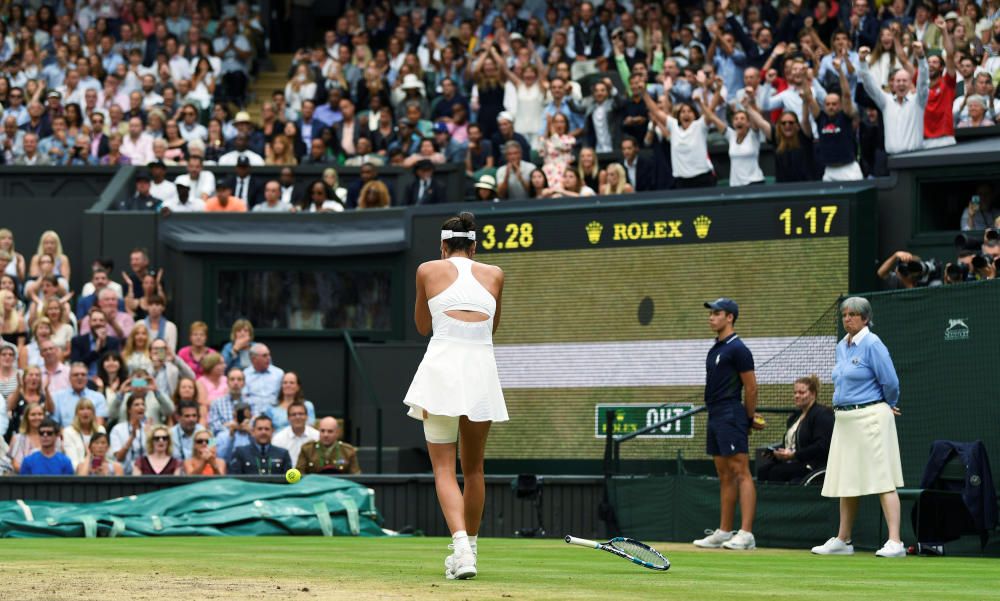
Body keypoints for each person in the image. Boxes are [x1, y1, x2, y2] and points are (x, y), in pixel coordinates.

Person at [403, 212, 508, 580]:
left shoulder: (427, 270)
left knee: (444, 468)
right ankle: (471, 551)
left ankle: (461, 550)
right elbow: (492, 328)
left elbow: (421, 326)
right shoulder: (494, 274)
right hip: (480, 370)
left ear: (443, 246)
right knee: (475, 468)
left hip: (442, 369)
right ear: (475, 247)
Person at [812, 297, 905, 558]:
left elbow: (891, 381)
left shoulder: (873, 344)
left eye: (853, 315)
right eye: (844, 315)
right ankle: (843, 540)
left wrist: (890, 404)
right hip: (845, 421)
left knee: (882, 477)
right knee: (846, 479)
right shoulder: (842, 346)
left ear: (865, 319)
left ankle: (895, 542)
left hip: (871, 417)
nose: (847, 319)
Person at [693, 298, 762, 551]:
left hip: (731, 413)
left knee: (740, 471)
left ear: (730, 317)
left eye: (717, 313)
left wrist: (748, 418)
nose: (711, 318)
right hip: (715, 414)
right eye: (711, 314)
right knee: (724, 473)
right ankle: (724, 531)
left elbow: (752, 387)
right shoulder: (716, 348)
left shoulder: (738, 349)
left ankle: (746, 533)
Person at [758, 375, 834, 483]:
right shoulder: (795, 417)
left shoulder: (822, 414)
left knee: (777, 472)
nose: (797, 396)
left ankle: (780, 500)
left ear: (813, 394)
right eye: (795, 393)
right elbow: (790, 444)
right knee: (763, 471)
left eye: (801, 393)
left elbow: (821, 446)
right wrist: (776, 452)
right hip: (793, 461)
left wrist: (794, 455)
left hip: (812, 464)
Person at [858, 42, 929, 155]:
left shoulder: (918, 101)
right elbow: (869, 85)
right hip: (893, 161)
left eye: (904, 81)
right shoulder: (886, 102)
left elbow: (924, 82)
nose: (901, 84)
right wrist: (862, 62)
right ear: (893, 84)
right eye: (898, 81)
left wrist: (921, 57)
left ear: (911, 83)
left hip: (915, 158)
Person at [806, 59, 863, 182]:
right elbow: (809, 99)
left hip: (849, 169)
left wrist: (840, 71)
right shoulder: (820, 118)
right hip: (829, 171)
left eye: (834, 104)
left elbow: (847, 95)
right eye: (828, 104)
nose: (831, 106)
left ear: (840, 105)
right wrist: (806, 77)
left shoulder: (845, 116)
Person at [227, 415, 293, 475]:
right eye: (260, 429)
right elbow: (234, 479)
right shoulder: (240, 452)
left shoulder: (283, 453)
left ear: (272, 431)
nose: (263, 432)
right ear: (253, 431)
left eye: (267, 429)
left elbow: (289, 482)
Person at [52, 362, 109, 428]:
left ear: (87, 378)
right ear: (69, 378)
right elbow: (55, 424)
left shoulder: (98, 397)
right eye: (76, 375)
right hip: (65, 436)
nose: (80, 377)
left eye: (83, 375)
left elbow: (99, 426)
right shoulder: (57, 397)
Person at [59, 398, 106, 470]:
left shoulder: (100, 430)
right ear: (76, 413)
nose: (85, 412)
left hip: (100, 469)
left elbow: (104, 455)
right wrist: (85, 468)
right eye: (82, 409)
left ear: (93, 413)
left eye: (88, 409)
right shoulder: (69, 431)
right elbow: (72, 460)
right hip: (78, 473)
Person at [110, 394, 153, 468]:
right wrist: (131, 438)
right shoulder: (118, 429)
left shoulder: (149, 429)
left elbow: (154, 456)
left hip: (145, 473)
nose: (141, 407)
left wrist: (150, 437)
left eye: (143, 404)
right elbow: (119, 458)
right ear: (129, 409)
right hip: (125, 474)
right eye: (136, 405)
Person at [272, 400, 319, 465]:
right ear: (288, 418)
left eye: (301, 414)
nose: (297, 417)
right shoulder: (278, 438)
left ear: (307, 416)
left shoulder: (317, 436)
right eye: (293, 414)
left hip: (310, 474)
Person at [244, 343, 284, 411]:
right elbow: (244, 398)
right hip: (253, 414)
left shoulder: (279, 373)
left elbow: (283, 397)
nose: (269, 358)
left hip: (275, 413)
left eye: (269, 355)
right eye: (265, 355)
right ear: (253, 359)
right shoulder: (244, 374)